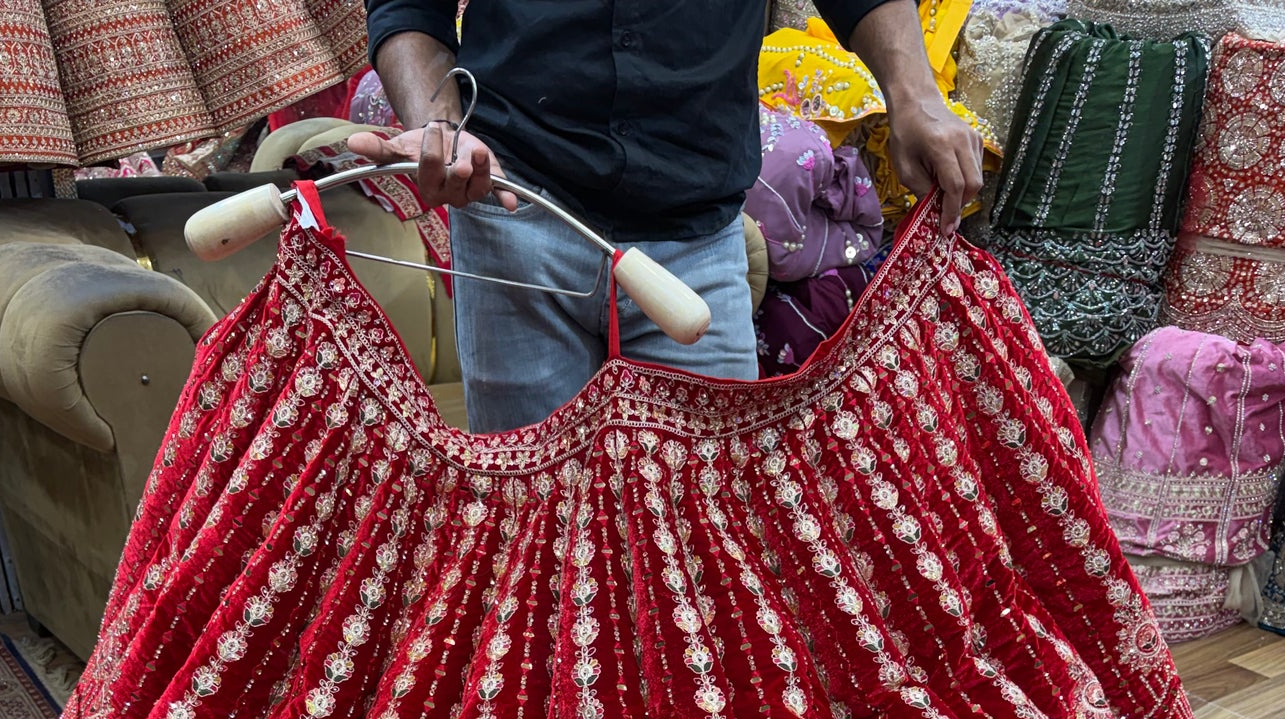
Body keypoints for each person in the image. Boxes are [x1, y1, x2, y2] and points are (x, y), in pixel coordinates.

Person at [349, 0, 983, 430]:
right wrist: (437, 123)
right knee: (532, 543)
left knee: (705, 542)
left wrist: (916, 94)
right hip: (517, 208)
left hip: (697, 234)